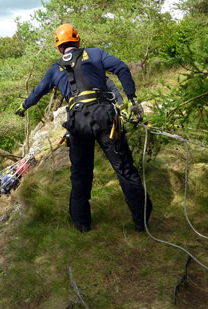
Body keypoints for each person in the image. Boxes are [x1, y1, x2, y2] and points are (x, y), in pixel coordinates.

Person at [15, 24, 152, 233]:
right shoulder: (95, 54)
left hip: (77, 122)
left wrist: (24, 106)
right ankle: (141, 222)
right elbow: (122, 68)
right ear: (77, 41)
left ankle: (82, 225)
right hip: (104, 116)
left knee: (80, 174)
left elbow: (37, 92)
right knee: (124, 167)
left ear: (59, 48)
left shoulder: (55, 69)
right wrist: (132, 98)